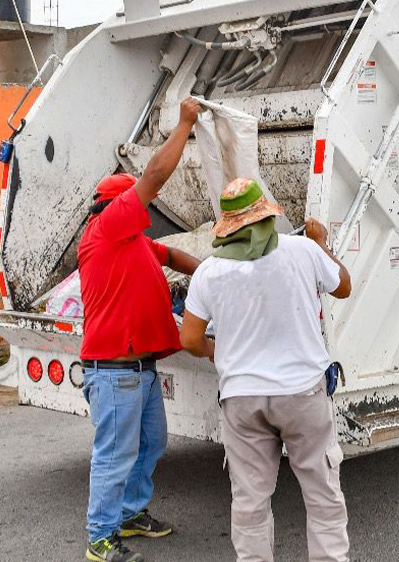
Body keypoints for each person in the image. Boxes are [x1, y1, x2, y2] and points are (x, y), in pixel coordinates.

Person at [180, 178, 353, 562]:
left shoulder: (210, 271)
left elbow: (190, 339)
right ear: (266, 216)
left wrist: (217, 352)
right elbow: (343, 287)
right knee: (322, 495)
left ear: (227, 227)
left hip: (242, 399)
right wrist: (321, 241)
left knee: (250, 502)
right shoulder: (303, 250)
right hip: (303, 394)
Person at [80, 97, 203, 562]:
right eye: (134, 204)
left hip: (139, 371)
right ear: (116, 205)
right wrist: (184, 124)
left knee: (152, 442)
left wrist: (211, 273)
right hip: (114, 373)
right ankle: (100, 539)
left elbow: (171, 256)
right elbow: (153, 177)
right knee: (113, 455)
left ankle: (130, 515)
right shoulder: (108, 227)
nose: (143, 214)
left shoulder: (132, 244)